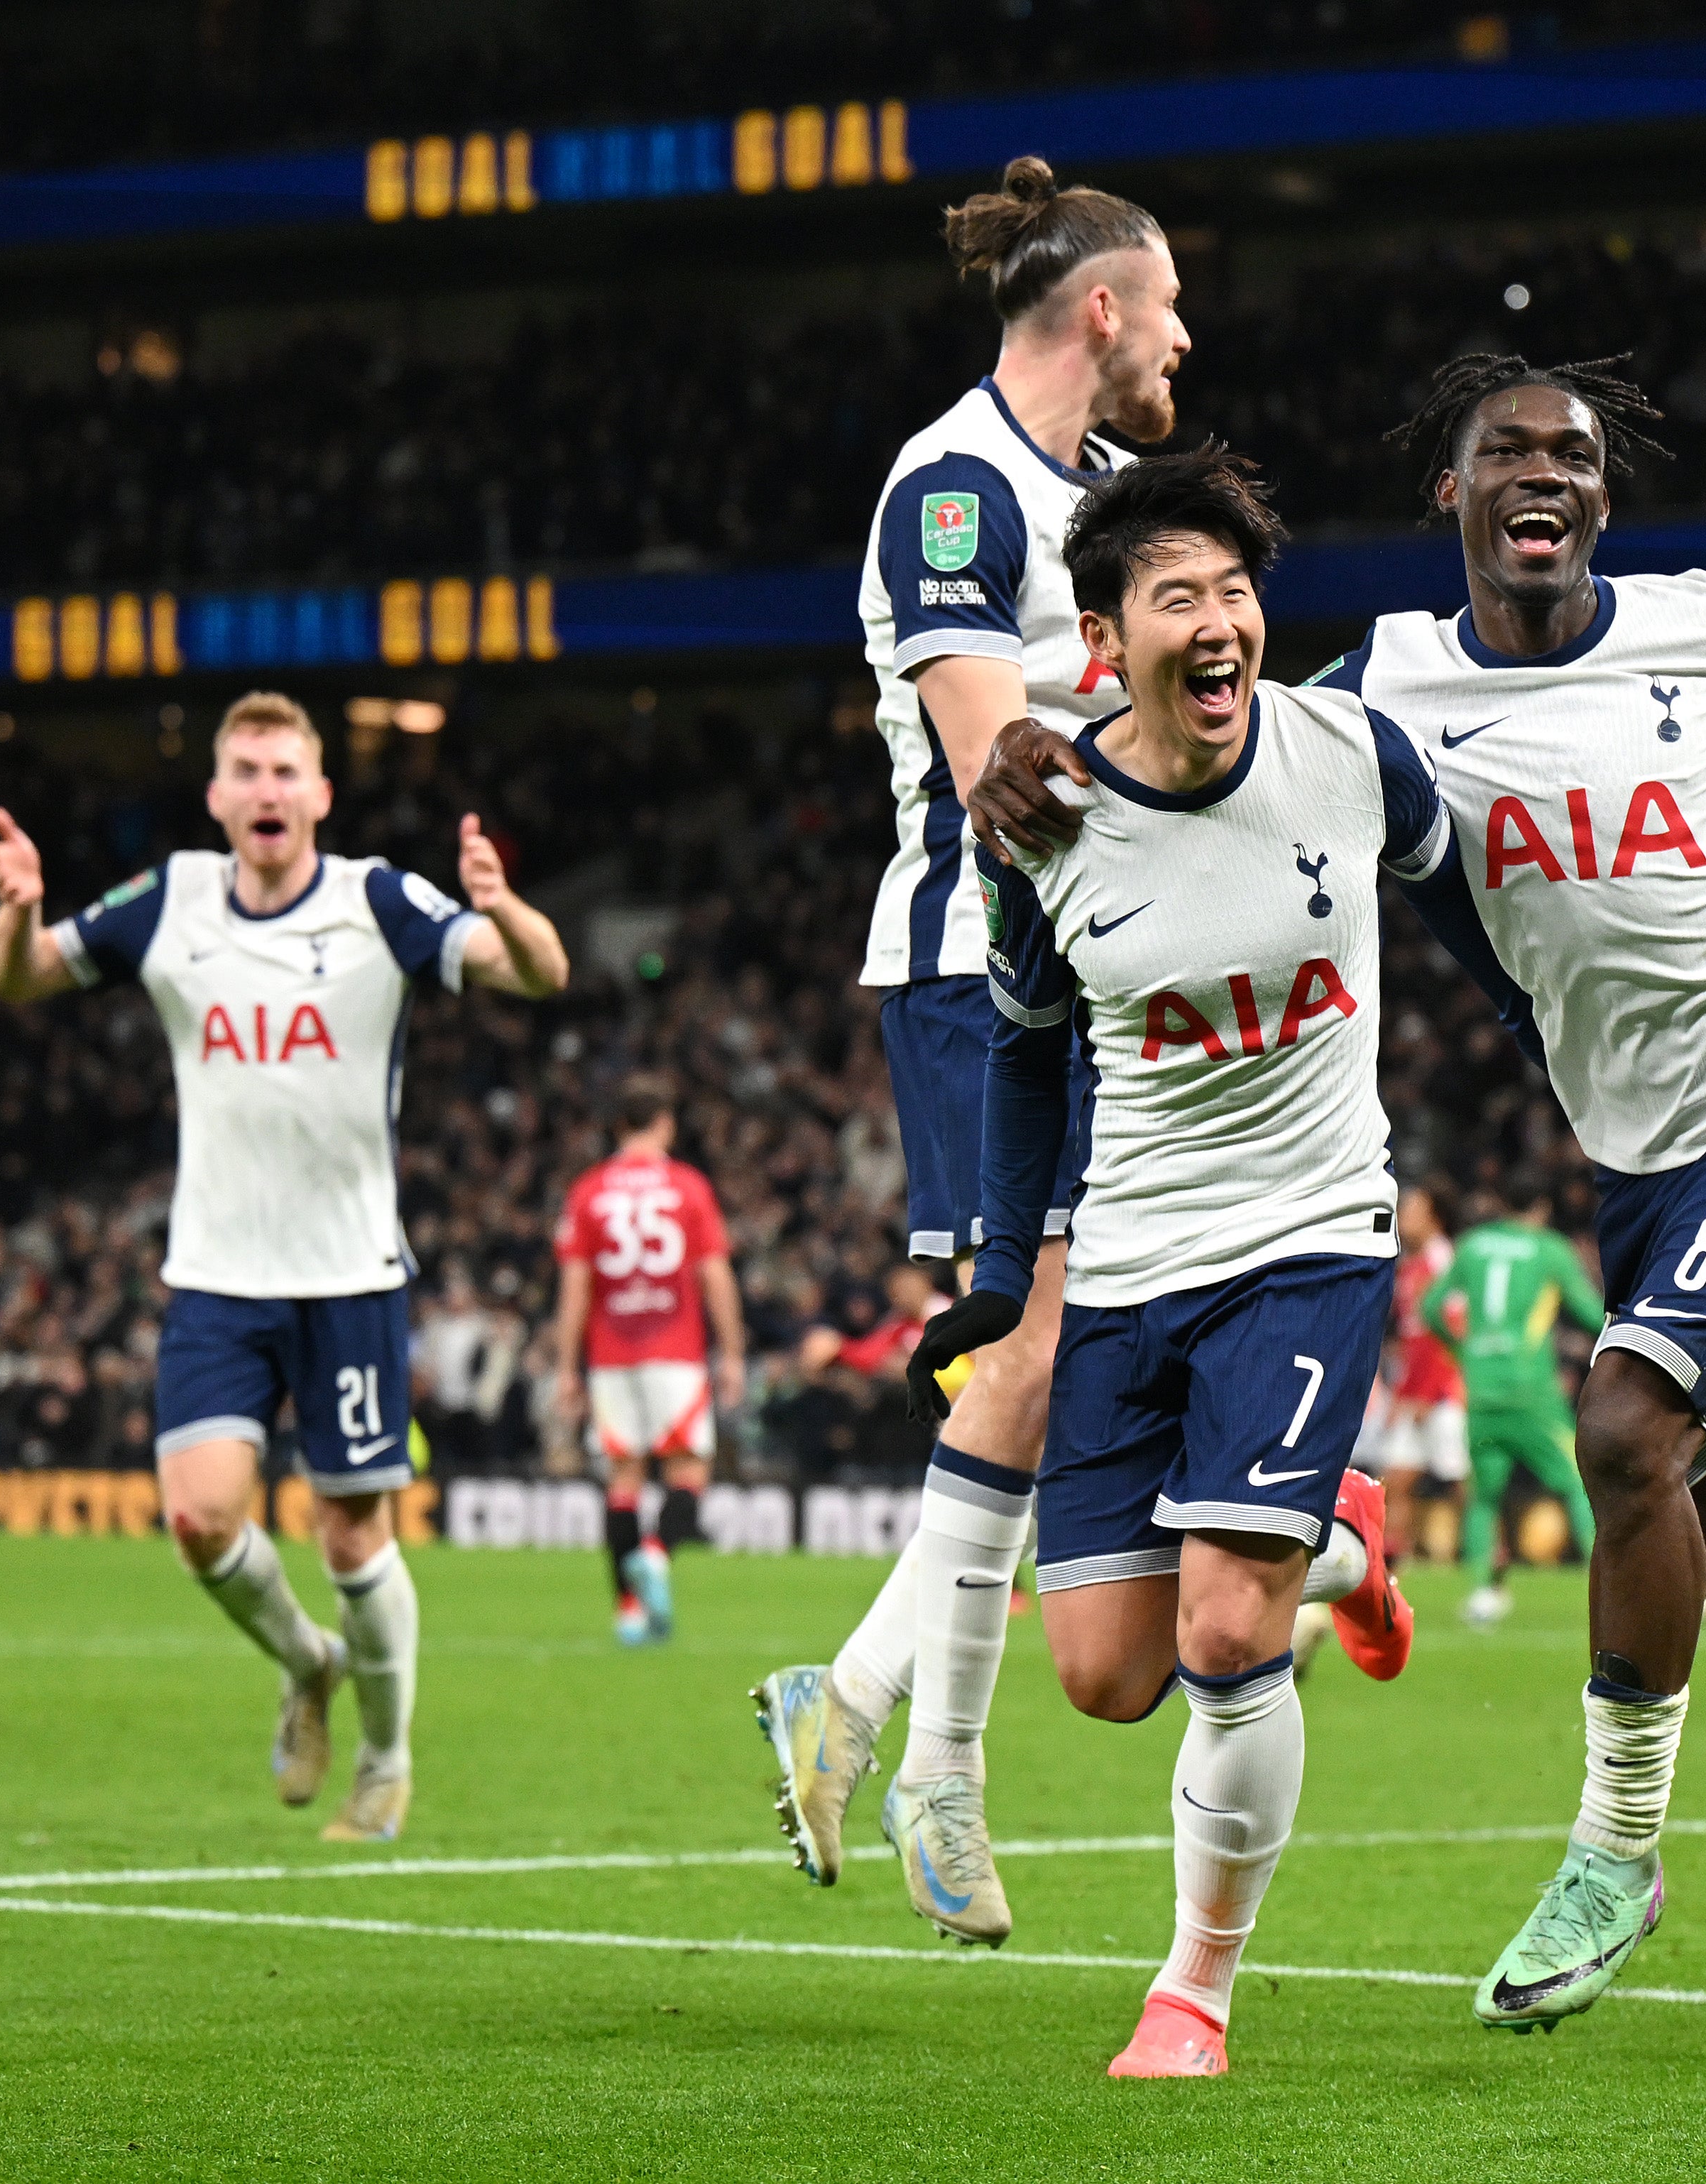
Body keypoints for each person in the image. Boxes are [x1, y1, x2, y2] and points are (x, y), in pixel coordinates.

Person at [970, 354, 1706, 2027]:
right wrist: (1033, 766)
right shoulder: (1383, 694)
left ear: (1598, 502)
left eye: (1570, 451)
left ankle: (1613, 1851)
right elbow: (1215, 753)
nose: (1542, 469)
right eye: (1508, 450)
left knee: (1624, 1426)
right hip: (1634, 1164)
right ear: (1456, 494)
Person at [906, 449, 1418, 2076]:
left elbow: (1472, 903)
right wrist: (1003, 1261)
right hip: (1126, 1268)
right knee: (1104, 1675)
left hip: (1309, 1244)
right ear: (1103, 635)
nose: (1217, 623)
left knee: (1215, 1634)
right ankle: (1337, 1544)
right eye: (1176, 596)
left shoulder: (1350, 755)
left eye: (1234, 590)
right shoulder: (1040, 826)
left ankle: (1191, 1988)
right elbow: (1025, 1049)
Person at [752, 153, 1191, 1944]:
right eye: (1167, 309)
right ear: (1100, 312)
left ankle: (853, 1708)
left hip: (1103, 974)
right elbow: (992, 770)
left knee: (1036, 1366)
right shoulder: (955, 486)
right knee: (1028, 1357)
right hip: (975, 967)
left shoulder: (1108, 495)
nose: (1186, 339)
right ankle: (928, 1758)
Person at [0, 689, 567, 1842]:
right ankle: (308, 1665)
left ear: (320, 796)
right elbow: (21, 979)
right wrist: (18, 911)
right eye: (245, 770)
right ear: (216, 796)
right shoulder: (172, 898)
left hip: (349, 1274)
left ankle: (387, 1763)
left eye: (285, 771)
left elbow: (536, 975)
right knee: (199, 1522)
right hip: (215, 1272)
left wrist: (508, 908)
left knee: (353, 1537)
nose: (265, 790)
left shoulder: (376, 901)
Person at [550, 1071, 747, 1646]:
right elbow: (715, 1274)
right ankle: (657, 1556)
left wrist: (568, 1367)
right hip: (675, 1349)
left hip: (612, 1353)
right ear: (666, 1125)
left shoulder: (588, 1190)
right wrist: (732, 1352)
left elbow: (575, 1286)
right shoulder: (688, 1187)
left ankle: (629, 1613)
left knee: (623, 1481)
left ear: (617, 1126)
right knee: (688, 1472)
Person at [1420, 1187, 1605, 1627]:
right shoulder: (1549, 1250)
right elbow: (1590, 1313)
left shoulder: (1472, 1246)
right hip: (1531, 1393)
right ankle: (1612, 1590)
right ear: (1541, 1207)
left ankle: (1484, 1594)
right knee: (1579, 1481)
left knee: (1484, 1496)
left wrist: (1465, 1353)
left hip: (1481, 1390)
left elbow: (1430, 1308)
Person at [1376, 1182, 1470, 1563]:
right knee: (1395, 1480)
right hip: (1414, 1392)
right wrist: (1402, 1395)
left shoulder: (1443, 1262)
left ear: (1434, 1217)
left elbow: (1453, 1332)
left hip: (1445, 1392)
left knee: (1460, 1479)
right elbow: (1413, 1344)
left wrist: (1429, 1394)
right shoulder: (1409, 1267)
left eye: (1411, 1210)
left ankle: (1491, 1552)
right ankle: (1393, 1561)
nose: (1402, 1217)